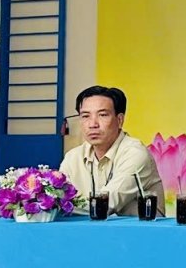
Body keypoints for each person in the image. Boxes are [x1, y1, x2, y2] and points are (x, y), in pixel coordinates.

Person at [58, 85, 163, 217]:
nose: (93, 124)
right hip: (88, 229)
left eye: (102, 115)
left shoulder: (136, 154)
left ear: (119, 120)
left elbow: (105, 204)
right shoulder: (73, 157)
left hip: (137, 230)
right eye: (85, 116)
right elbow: (58, 195)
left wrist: (56, 204)